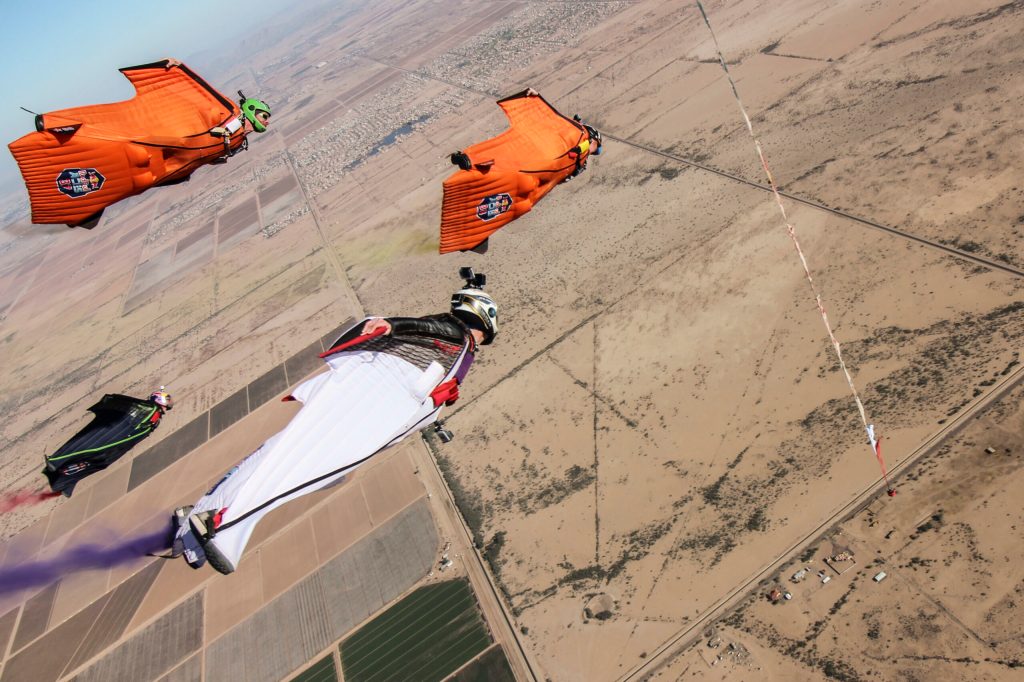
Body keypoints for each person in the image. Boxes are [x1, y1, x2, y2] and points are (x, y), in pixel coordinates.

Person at [174, 270, 497, 574]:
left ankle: (199, 520)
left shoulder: (452, 341)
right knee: (314, 467)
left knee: (283, 452)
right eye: (486, 333)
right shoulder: (457, 335)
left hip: (370, 393)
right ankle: (225, 527)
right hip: (375, 402)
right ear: (481, 318)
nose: (483, 339)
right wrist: (392, 325)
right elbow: (426, 328)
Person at [44, 387, 173, 497]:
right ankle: (56, 461)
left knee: (100, 462)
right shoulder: (148, 408)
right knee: (89, 447)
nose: (168, 405)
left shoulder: (155, 417)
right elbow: (127, 413)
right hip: (113, 434)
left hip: (121, 443)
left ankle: (65, 483)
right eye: (166, 401)